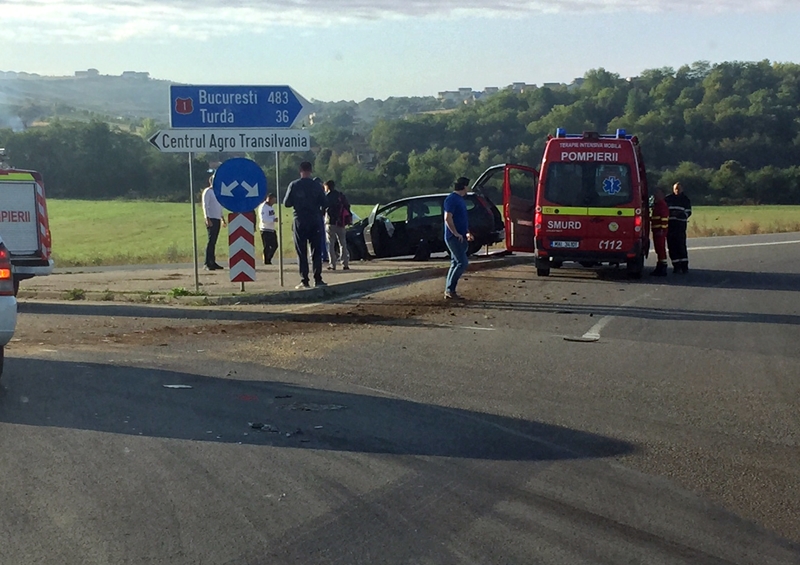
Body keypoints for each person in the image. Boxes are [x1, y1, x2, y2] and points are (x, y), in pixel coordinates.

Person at [284, 162, 327, 288]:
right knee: (316, 251)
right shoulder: (317, 186)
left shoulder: (294, 185)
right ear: (311, 170)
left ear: (300, 170)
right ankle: (318, 279)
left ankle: (304, 280)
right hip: (314, 219)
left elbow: (287, 203)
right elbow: (325, 202)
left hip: (300, 220)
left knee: (301, 251)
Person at [443, 176, 474, 300]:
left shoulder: (460, 200)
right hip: (453, 237)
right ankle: (450, 290)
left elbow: (461, 220)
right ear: (464, 187)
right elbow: (447, 218)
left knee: (455, 262)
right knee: (462, 262)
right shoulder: (451, 199)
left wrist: (467, 232)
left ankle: (449, 290)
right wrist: (455, 233)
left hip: (461, 236)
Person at [323, 180, 351, 271]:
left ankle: (333, 264)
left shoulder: (327, 197)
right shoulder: (340, 195)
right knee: (343, 243)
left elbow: (322, 209)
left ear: (327, 187)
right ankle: (345, 264)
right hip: (341, 222)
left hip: (330, 222)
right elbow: (347, 206)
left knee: (330, 244)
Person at [665, 181, 692, 273]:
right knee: (672, 246)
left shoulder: (685, 199)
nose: (677, 190)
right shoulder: (668, 199)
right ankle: (676, 266)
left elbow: (688, 211)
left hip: (680, 226)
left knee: (681, 245)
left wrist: (680, 215)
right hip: (670, 226)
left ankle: (684, 266)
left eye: (679, 188)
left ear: (682, 189)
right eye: (676, 188)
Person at [201, 175, 226, 270]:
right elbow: (205, 205)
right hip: (211, 218)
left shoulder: (217, 193)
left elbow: (219, 206)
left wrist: (222, 218)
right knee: (211, 240)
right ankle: (207, 262)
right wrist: (207, 218)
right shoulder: (208, 191)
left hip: (217, 218)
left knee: (214, 241)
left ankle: (213, 261)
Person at [649, 189, 669, 277]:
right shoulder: (657, 205)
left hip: (659, 231)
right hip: (656, 230)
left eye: (657, 194)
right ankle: (660, 266)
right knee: (658, 249)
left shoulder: (662, 205)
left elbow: (664, 218)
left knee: (661, 249)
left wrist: (662, 230)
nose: (655, 196)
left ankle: (662, 267)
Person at [258, 193, 278, 265]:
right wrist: (273, 220)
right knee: (267, 246)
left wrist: (274, 219)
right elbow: (263, 219)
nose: (273, 202)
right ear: (269, 198)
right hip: (265, 229)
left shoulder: (271, 207)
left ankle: (269, 258)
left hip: (271, 229)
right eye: (273, 200)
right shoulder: (263, 207)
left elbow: (271, 215)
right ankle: (266, 260)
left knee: (275, 245)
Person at [313, 177, 330, 263]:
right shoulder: (321, 193)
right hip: (320, 217)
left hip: (313, 217)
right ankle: (324, 255)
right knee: (322, 237)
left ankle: (315, 256)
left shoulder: (311, 192)